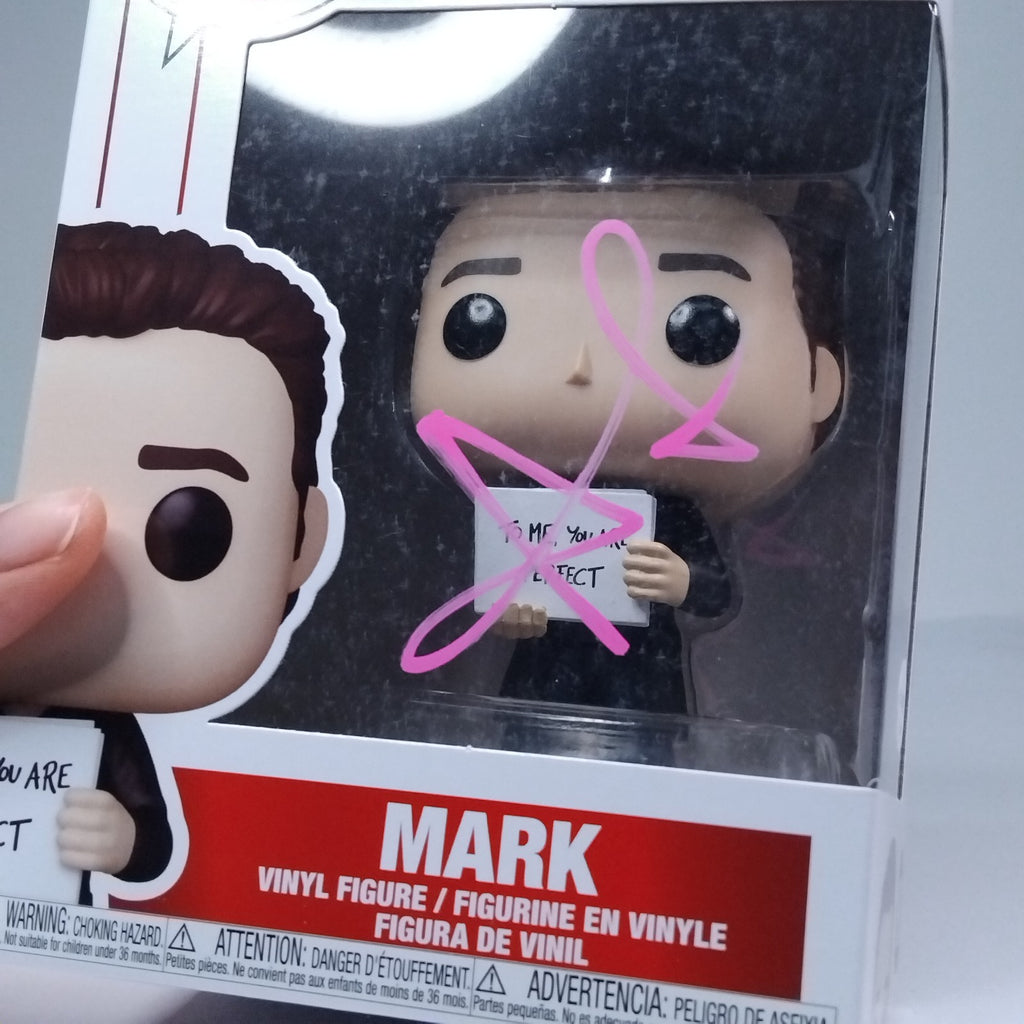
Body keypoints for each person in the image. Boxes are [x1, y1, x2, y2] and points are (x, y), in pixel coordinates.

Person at [0, 222, 336, 902]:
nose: (68, 561)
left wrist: (122, 838)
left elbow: (151, 841)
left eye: (191, 528)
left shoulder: (102, 733)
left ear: (301, 542)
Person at [410, 187, 842, 715]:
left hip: (644, 674)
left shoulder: (670, 509)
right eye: (478, 324)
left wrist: (682, 580)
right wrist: (508, 615)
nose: (580, 366)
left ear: (822, 379)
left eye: (702, 325)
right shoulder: (527, 507)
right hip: (542, 675)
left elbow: (719, 591)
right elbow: (497, 586)